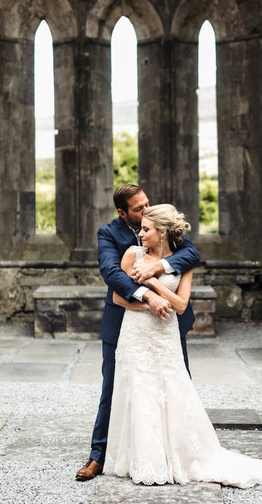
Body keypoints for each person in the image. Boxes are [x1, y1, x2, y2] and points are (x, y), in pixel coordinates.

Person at [103, 203, 262, 487]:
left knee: (171, 391)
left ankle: (176, 458)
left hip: (165, 336)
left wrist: (155, 284)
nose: (139, 233)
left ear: (162, 232)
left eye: (146, 229)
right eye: (140, 228)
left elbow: (181, 304)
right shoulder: (132, 255)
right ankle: (141, 459)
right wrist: (150, 303)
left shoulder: (182, 262)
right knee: (137, 391)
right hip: (136, 333)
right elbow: (118, 298)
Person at [76, 183, 202, 482]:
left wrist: (159, 267)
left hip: (167, 326)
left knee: (174, 387)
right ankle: (99, 455)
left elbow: (192, 254)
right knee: (114, 389)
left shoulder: (164, 225)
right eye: (138, 208)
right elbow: (112, 273)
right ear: (123, 212)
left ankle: (177, 454)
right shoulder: (109, 233)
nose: (146, 210)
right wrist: (147, 296)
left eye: (147, 203)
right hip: (124, 321)